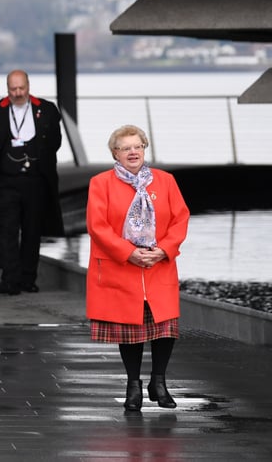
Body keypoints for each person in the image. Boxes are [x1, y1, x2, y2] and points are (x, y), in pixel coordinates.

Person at [87, 125, 189, 411]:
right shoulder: (100, 183)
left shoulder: (166, 181)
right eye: (125, 147)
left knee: (164, 328)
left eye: (138, 146)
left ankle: (159, 383)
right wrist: (128, 252)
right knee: (131, 330)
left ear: (145, 149)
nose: (133, 152)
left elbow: (181, 219)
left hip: (159, 265)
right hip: (122, 268)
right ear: (114, 154)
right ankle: (133, 386)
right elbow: (97, 226)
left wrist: (164, 250)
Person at [0, 69, 62, 295]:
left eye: (21, 88)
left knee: (32, 231)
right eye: (13, 89)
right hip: (5, 181)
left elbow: (55, 142)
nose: (17, 93)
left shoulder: (46, 109)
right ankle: (10, 279)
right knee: (7, 232)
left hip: (35, 181)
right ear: (7, 88)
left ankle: (28, 278)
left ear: (28, 85)